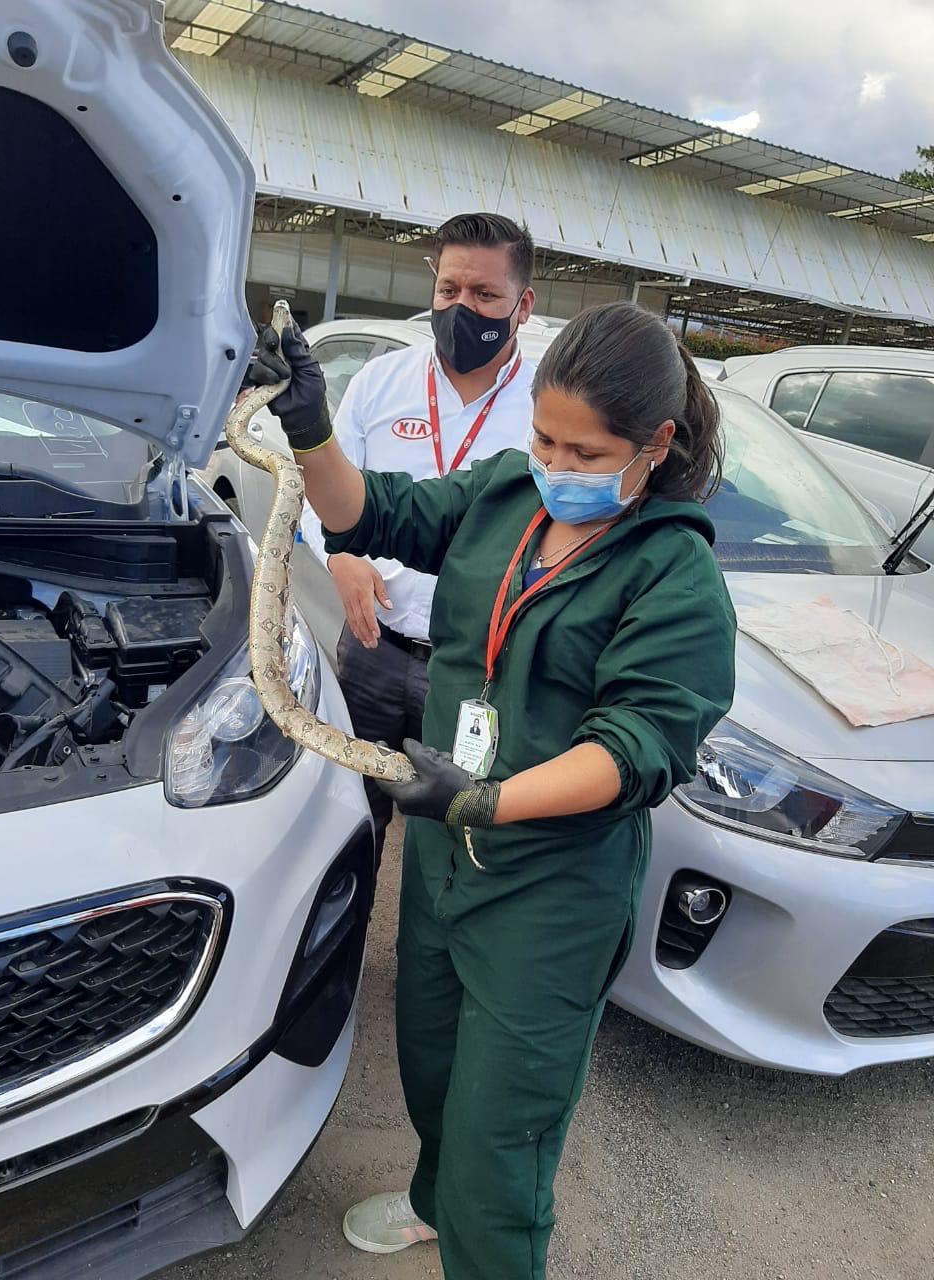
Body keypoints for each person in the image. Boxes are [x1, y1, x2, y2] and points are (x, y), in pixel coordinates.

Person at [247, 301, 737, 1280]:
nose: (557, 463)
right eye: (545, 436)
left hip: (549, 886)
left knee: (498, 1138)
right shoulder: (512, 493)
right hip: (444, 853)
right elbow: (367, 512)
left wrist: (483, 800)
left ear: (657, 444)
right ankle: (436, 1203)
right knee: (430, 1062)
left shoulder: (674, 577)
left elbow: (636, 745)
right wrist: (310, 426)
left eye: (587, 451)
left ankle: (480, 1233)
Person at [300, 212, 537, 867]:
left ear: (523, 305)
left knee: (454, 834)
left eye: (485, 295)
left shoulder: (548, 404)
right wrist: (341, 557)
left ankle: (428, 963)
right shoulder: (381, 383)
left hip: (475, 671)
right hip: (374, 651)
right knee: (351, 819)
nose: (463, 308)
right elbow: (323, 493)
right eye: (449, 290)